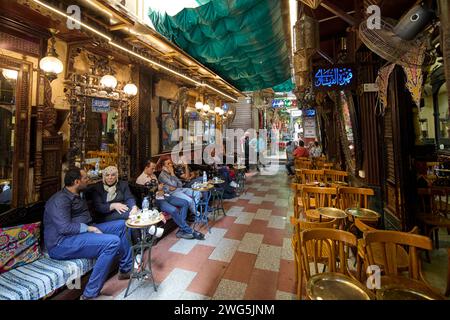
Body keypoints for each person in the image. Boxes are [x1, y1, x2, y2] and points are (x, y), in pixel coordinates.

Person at [43, 168, 132, 300]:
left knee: (121, 225)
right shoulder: (60, 200)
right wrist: (89, 229)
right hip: (61, 243)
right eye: (85, 178)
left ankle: (125, 270)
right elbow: (64, 228)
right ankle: (90, 295)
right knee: (112, 242)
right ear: (77, 181)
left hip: (80, 233)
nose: (88, 180)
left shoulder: (78, 193)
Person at [136, 161, 204, 240]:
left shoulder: (153, 175)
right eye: (152, 168)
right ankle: (189, 230)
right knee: (174, 210)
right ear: (146, 168)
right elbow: (145, 197)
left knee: (185, 203)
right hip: (156, 201)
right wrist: (157, 190)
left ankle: (182, 230)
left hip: (165, 196)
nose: (154, 170)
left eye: (154, 168)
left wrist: (161, 190)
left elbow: (163, 187)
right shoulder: (140, 180)